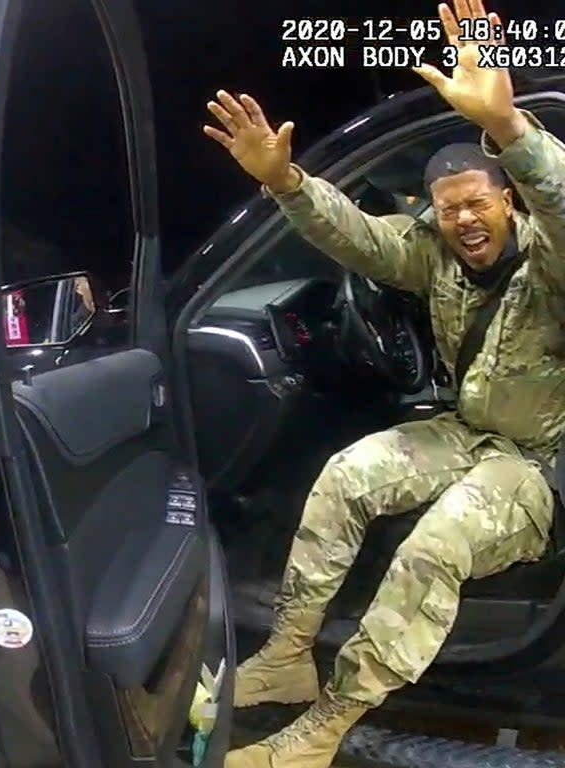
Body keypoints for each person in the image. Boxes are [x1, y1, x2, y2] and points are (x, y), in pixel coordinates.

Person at [202, 2, 565, 767]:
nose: (465, 220)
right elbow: (358, 235)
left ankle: (328, 724)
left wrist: (510, 132)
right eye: (448, 209)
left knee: (436, 544)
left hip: (533, 460)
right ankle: (288, 655)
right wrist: (287, 183)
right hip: (466, 432)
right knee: (348, 473)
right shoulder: (433, 252)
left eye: (478, 204)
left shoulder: (551, 258)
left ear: (506, 201)